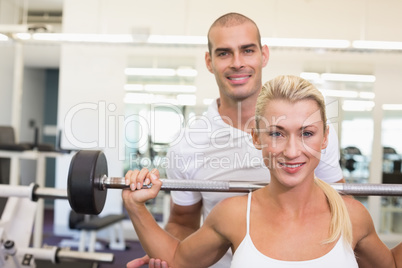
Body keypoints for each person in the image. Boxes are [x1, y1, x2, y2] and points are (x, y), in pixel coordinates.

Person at [127, 12, 344, 268]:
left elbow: (341, 206)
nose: (237, 63)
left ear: (264, 54)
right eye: (224, 53)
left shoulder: (309, 129)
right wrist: (169, 251)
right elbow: (182, 222)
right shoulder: (188, 144)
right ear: (209, 61)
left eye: (247, 50)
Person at [123, 75, 402, 268]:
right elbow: (178, 259)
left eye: (307, 133)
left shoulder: (352, 216)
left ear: (325, 138)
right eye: (277, 134)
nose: (292, 151)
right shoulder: (233, 214)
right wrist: (135, 207)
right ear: (257, 137)